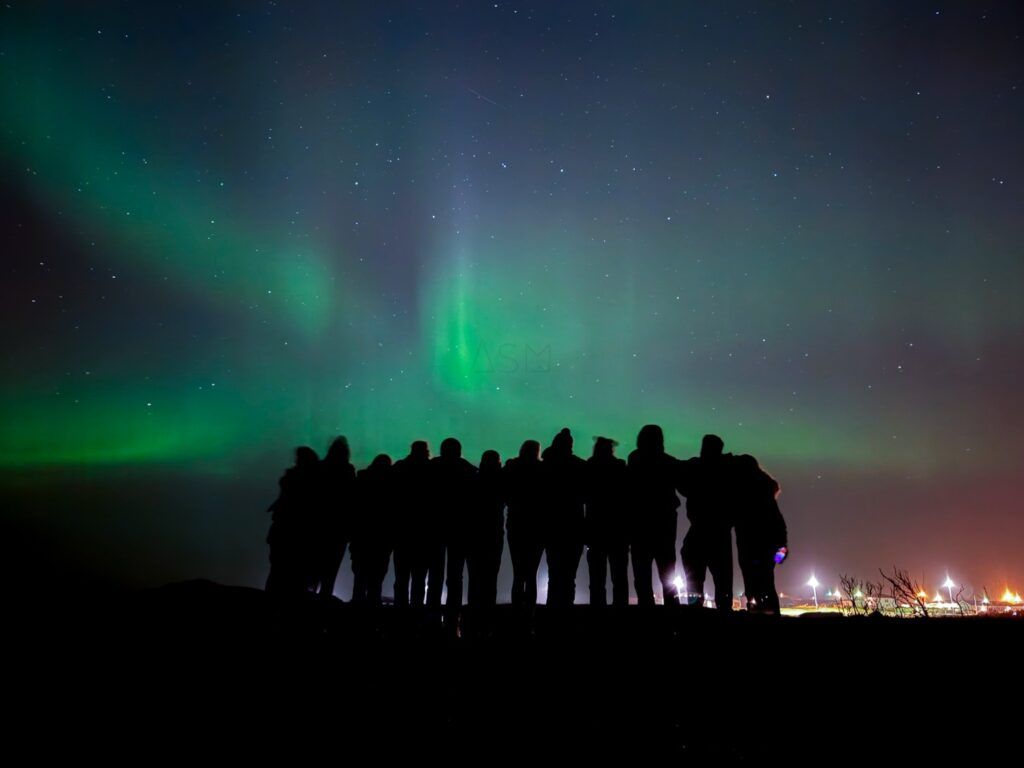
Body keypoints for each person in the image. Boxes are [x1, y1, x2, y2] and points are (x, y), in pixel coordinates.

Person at [628, 425, 682, 607]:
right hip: (664, 524)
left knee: (641, 573)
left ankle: (646, 610)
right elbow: (683, 486)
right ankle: (672, 611)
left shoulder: (634, 460)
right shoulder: (669, 462)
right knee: (667, 570)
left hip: (640, 524)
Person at [679, 434, 734, 611]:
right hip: (720, 531)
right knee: (723, 580)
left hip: (699, 530)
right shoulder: (728, 468)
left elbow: (683, 486)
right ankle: (724, 610)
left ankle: (695, 610)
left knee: (694, 577)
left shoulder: (695, 467)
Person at [431, 437, 478, 632]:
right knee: (455, 577)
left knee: (435, 575)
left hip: (435, 528)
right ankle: (452, 619)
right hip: (460, 531)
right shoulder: (469, 470)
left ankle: (432, 620)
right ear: (459, 451)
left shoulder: (432, 468)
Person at [733, 454, 787, 614]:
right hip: (765, 548)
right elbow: (779, 524)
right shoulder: (765, 495)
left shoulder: (743, 495)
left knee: (755, 586)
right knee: (766, 585)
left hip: (750, 547)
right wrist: (781, 549)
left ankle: (759, 615)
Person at [541, 428, 587, 608]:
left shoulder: (545, 466)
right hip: (574, 526)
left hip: (551, 525)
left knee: (554, 573)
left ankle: (552, 611)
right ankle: (566, 611)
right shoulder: (579, 466)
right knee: (569, 575)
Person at [265, 446, 320, 595]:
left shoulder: (291, 477)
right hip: (298, 532)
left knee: (278, 568)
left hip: (283, 529)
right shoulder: (314, 479)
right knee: (294, 571)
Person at [584, 437, 629, 606]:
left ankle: (597, 611)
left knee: (596, 578)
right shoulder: (620, 467)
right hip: (618, 529)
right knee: (620, 577)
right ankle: (620, 610)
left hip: (595, 528)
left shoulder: (589, 467)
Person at [313, 436, 356, 600]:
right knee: (331, 569)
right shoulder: (348, 470)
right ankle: (324, 599)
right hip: (339, 529)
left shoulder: (319, 468)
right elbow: (351, 500)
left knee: (314, 565)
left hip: (318, 525)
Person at [504, 440, 545, 608]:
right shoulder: (543, 469)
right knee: (531, 573)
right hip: (537, 525)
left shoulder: (512, 467)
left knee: (518, 572)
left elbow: (504, 493)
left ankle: (517, 611)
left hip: (516, 523)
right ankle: (530, 612)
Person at [391, 441, 432, 609]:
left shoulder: (400, 467)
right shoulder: (431, 470)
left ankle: (400, 610)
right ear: (426, 451)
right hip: (424, 532)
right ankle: (416, 611)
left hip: (402, 530)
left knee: (401, 577)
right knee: (419, 577)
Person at [467, 450, 505, 630]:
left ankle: (473, 619)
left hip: (474, 534)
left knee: (474, 578)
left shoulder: (473, 479)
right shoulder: (501, 481)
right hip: (494, 534)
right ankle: (488, 619)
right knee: (491, 578)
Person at [350, 454, 394, 605]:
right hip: (382, 539)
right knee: (377, 579)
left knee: (359, 577)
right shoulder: (390, 486)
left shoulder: (361, 481)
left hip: (361, 538)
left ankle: (357, 607)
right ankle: (372, 608)